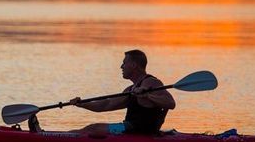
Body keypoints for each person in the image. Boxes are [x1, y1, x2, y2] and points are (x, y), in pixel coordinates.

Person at [27, 49, 175, 136]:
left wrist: (147, 95)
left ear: (134, 65)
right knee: (89, 129)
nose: (121, 66)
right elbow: (105, 105)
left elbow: (171, 103)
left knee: (93, 129)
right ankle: (47, 135)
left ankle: (45, 136)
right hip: (129, 128)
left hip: (138, 131)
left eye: (124, 62)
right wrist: (82, 104)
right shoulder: (130, 90)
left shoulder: (151, 82)